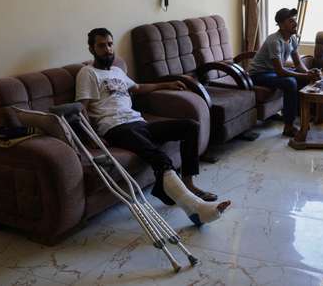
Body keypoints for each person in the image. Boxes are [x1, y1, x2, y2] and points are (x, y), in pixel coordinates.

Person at [76, 28, 230, 227]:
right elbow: (82, 108)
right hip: (115, 127)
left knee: (190, 126)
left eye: (110, 44)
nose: (108, 49)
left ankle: (188, 183)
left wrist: (167, 85)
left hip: (138, 122)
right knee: (159, 157)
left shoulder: (117, 71)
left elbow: (138, 88)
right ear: (91, 48)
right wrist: (92, 137)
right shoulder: (87, 73)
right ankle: (194, 208)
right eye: (101, 45)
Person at [248, 8, 321, 137]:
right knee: (290, 82)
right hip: (258, 74)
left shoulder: (292, 39)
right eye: (291, 21)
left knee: (304, 79)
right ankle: (288, 126)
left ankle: (304, 116)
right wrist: (305, 75)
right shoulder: (274, 41)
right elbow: (281, 71)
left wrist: (309, 73)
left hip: (273, 72)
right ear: (281, 25)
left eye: (295, 20)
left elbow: (298, 64)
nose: (295, 24)